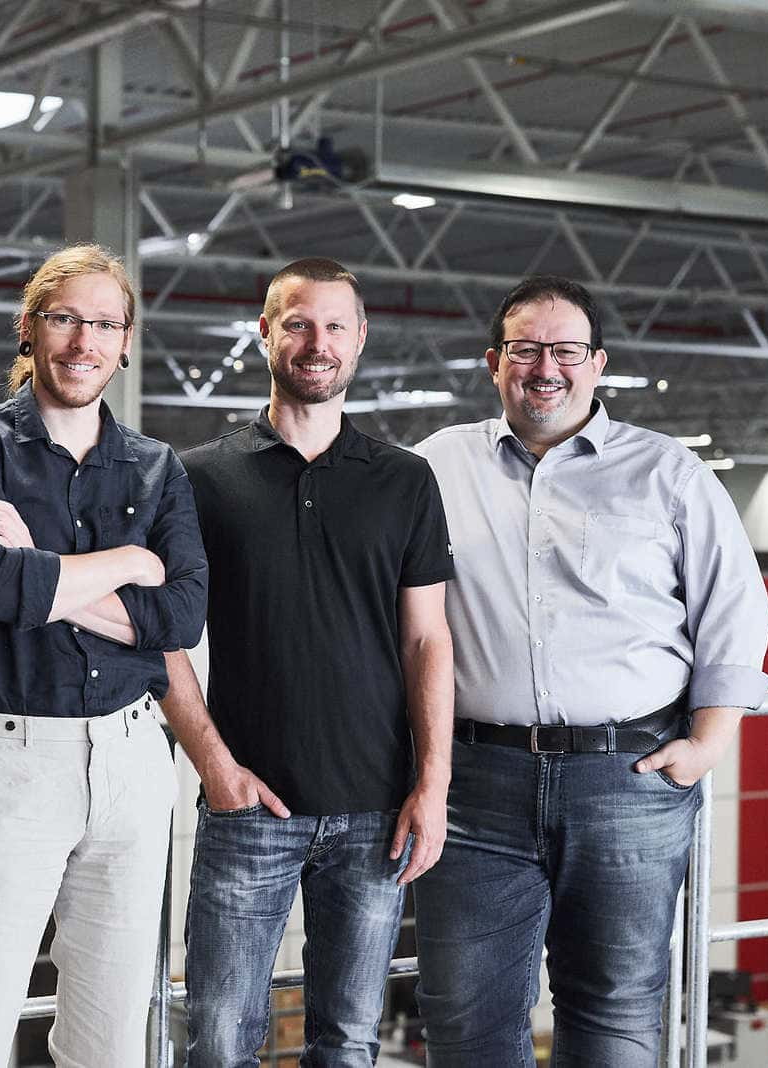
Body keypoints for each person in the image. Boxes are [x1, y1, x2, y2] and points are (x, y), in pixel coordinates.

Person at [412, 275, 768, 1067]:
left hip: (628, 780)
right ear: (493, 361)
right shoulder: (436, 466)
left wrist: (708, 743)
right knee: (465, 1021)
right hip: (474, 788)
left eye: (567, 350)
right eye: (526, 349)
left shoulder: (667, 472)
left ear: (598, 362)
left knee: (617, 1018)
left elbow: (737, 609)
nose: (547, 366)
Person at [0, 243, 207, 1067]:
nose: (83, 342)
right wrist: (132, 563)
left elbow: (180, 614)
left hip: (132, 758)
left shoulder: (155, 468)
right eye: (65, 318)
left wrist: (45, 569)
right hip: (13, 761)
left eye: (104, 324)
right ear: (30, 328)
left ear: (125, 343)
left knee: (110, 1042)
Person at [163, 257, 456, 1066]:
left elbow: (428, 639)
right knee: (220, 1041)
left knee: (349, 1044)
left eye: (334, 326)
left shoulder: (406, 481)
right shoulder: (201, 479)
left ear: (359, 340)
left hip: (376, 810)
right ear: (265, 332)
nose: (315, 343)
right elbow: (164, 640)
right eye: (297, 323)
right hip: (247, 810)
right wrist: (215, 767)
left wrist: (432, 785)